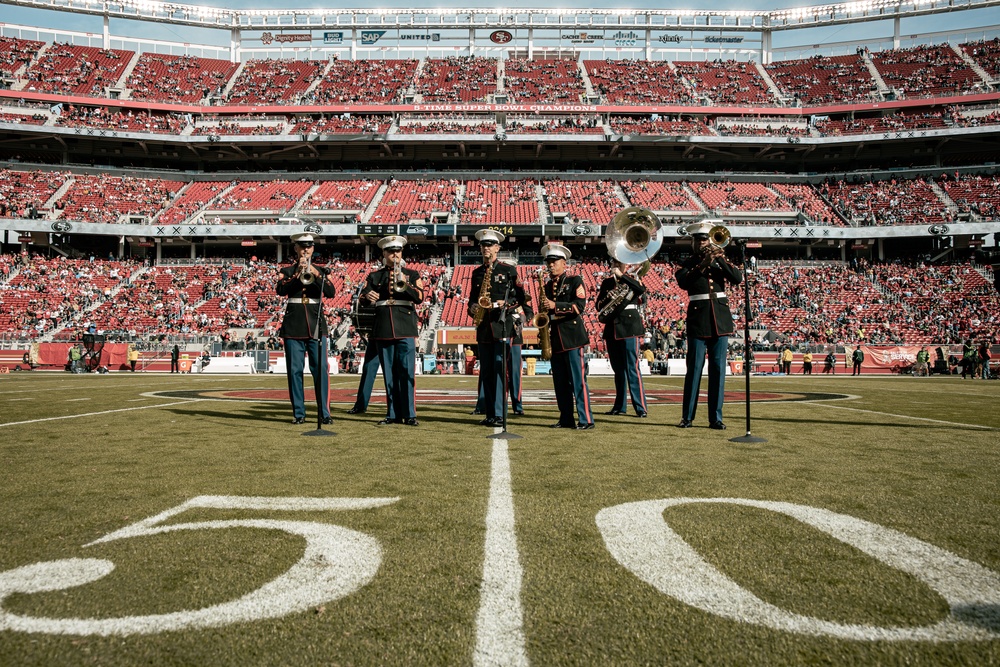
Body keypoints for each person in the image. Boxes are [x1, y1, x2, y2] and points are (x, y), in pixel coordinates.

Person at [675, 220, 743, 430]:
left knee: (718, 370)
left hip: (720, 320)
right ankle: (687, 417)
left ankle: (716, 417)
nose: (702, 244)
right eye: (698, 240)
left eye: (705, 240)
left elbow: (737, 278)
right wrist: (704, 263)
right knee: (694, 369)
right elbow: (684, 282)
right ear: (693, 243)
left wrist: (720, 258)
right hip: (698, 319)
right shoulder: (686, 263)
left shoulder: (720, 260)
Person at [468, 230, 532, 426]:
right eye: (483, 245)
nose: (486, 248)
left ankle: (499, 414)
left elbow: (522, 298)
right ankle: (489, 413)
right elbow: (471, 300)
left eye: (490, 245)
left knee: (498, 370)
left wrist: (504, 305)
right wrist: (472, 308)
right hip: (484, 328)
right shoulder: (476, 273)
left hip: (502, 326)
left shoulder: (508, 270)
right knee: (486, 371)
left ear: (497, 248)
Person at [361, 235, 424, 426]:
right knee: (389, 374)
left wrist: (406, 283)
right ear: (384, 253)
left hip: (405, 327)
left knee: (407, 373)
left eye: (398, 251)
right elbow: (363, 300)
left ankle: (410, 414)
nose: (395, 254)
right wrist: (366, 296)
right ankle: (393, 414)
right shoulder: (374, 276)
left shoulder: (412, 274)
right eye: (391, 251)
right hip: (383, 327)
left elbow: (419, 297)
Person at [275, 232, 335, 426]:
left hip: (316, 324)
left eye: (308, 247)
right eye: (302, 247)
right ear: (296, 249)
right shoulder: (286, 270)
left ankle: (324, 412)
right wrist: (297, 275)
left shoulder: (321, 271)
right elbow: (281, 290)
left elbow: (331, 292)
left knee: (321, 371)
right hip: (293, 326)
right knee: (294, 371)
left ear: (313, 249)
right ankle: (299, 413)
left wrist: (316, 274)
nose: (305, 250)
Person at [539, 242, 594, 429]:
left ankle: (586, 419)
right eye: (549, 262)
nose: (550, 265)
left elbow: (579, 307)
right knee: (560, 383)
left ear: (564, 262)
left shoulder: (574, 281)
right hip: (555, 338)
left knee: (578, 382)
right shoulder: (546, 285)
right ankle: (566, 418)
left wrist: (555, 306)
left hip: (572, 337)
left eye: (554, 261)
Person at [595, 258, 648, 417]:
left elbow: (640, 290)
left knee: (632, 368)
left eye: (619, 263)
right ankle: (619, 406)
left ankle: (640, 407)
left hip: (630, 327)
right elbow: (598, 306)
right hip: (612, 328)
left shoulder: (633, 279)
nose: (616, 266)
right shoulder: (607, 283)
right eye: (614, 264)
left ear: (626, 265)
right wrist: (608, 297)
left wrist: (622, 276)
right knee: (618, 371)